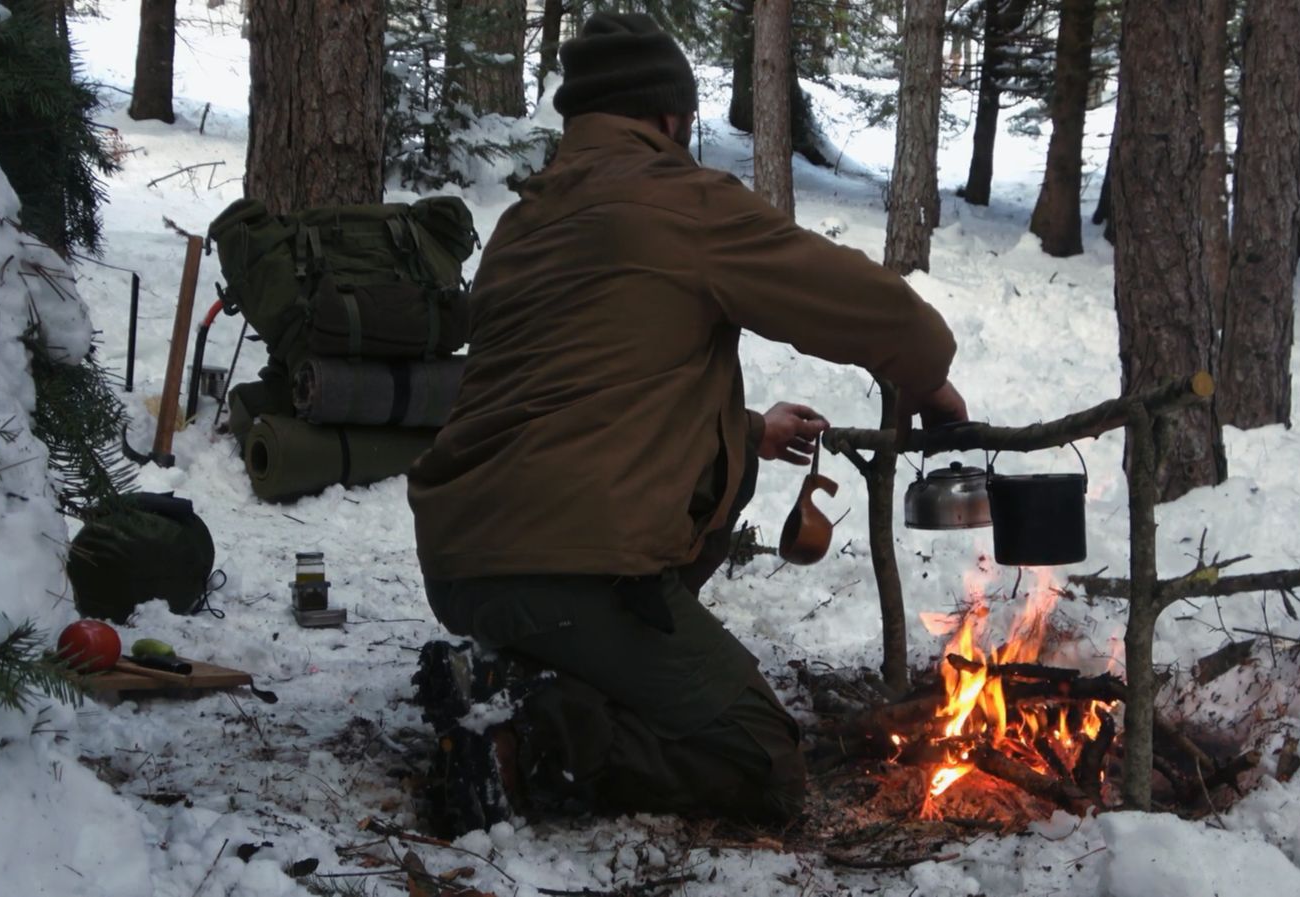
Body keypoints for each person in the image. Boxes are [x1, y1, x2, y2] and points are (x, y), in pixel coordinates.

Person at [406, 12, 965, 836]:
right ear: (669, 116)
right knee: (760, 756)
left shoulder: (523, 225)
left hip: (464, 560)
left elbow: (577, 394)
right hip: (569, 569)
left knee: (686, 512)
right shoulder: (680, 202)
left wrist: (746, 432)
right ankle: (524, 744)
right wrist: (930, 381)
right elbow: (864, 306)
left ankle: (510, 666)